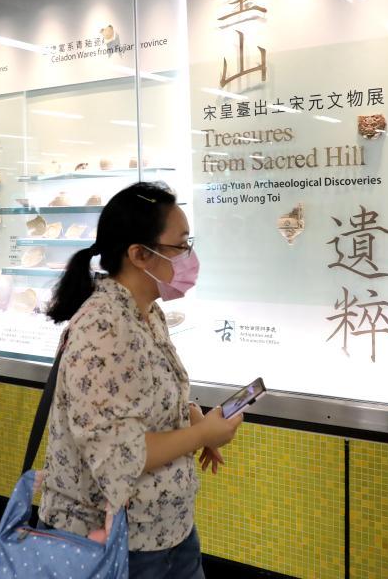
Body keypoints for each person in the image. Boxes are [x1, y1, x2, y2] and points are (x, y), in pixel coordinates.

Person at [40, 182, 242, 579]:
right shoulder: (104, 329)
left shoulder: (147, 312)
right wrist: (202, 435)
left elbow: (142, 396)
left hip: (166, 529)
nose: (189, 257)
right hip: (115, 540)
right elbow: (120, 454)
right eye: (180, 245)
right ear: (138, 254)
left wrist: (191, 417)